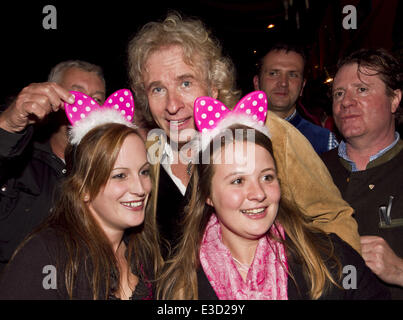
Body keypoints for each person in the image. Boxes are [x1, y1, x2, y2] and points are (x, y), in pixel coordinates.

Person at [127, 12, 361, 257]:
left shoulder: (267, 132)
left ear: (213, 87)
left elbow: (332, 218)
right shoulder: (146, 155)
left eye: (186, 83)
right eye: (157, 89)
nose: (172, 105)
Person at [156, 94, 389, 299]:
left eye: (267, 177)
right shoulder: (179, 285)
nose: (258, 193)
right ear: (208, 194)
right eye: (238, 181)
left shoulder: (331, 258)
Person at [0, 98, 161, 299]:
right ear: (83, 188)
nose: (140, 188)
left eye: (144, 172)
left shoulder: (142, 251)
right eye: (120, 175)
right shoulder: (45, 256)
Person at [0, 60, 106, 270]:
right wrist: (7, 124)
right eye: (76, 96)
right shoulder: (18, 159)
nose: (87, 106)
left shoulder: (107, 171)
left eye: (96, 100)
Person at [321, 48, 403, 299]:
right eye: (339, 93)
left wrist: (399, 270)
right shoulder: (312, 170)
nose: (346, 101)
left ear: (394, 99)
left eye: (362, 89)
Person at [253, 42, 338, 154]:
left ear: (302, 86)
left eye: (293, 75)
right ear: (257, 83)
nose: (283, 83)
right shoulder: (237, 134)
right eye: (273, 73)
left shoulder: (325, 142)